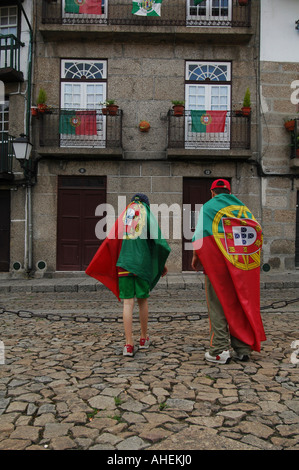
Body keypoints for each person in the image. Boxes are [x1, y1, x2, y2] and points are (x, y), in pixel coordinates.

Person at [86, 193, 170, 357]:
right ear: (146, 203)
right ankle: (144, 338)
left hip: (124, 263)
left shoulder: (125, 214)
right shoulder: (145, 212)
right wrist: (161, 263)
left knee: (127, 303)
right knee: (143, 300)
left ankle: (128, 344)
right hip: (141, 265)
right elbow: (158, 241)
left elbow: (112, 239)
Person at [192, 179, 266, 364]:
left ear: (212, 192)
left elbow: (200, 236)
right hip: (239, 265)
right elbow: (255, 230)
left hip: (218, 266)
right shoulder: (242, 208)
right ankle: (242, 348)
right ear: (229, 192)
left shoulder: (208, 208)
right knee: (239, 303)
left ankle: (218, 349)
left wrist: (196, 258)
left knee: (218, 305)